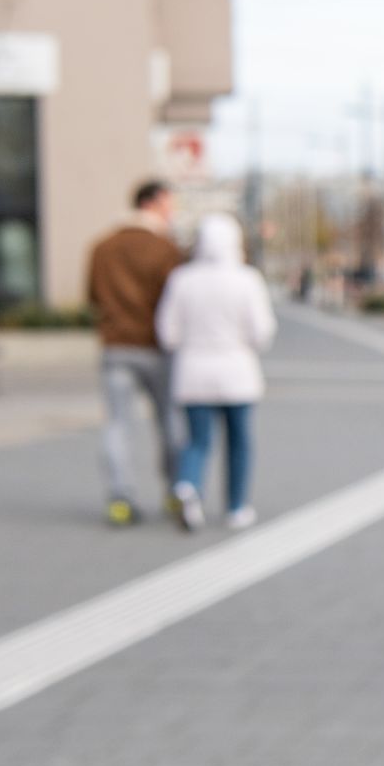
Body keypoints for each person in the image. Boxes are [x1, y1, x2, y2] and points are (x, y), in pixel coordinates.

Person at [156, 212, 276, 531]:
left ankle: (188, 486)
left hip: (193, 371)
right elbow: (261, 332)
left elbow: (167, 333)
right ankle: (236, 507)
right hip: (237, 371)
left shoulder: (182, 278)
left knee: (197, 441)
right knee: (238, 442)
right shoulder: (247, 279)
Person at [85, 180, 186, 527]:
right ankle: (176, 491)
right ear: (155, 202)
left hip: (115, 345)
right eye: (171, 203)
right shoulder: (165, 248)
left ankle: (120, 497)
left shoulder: (102, 247)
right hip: (156, 348)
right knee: (170, 422)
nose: (173, 210)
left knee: (116, 424)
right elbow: (177, 301)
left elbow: (93, 297)